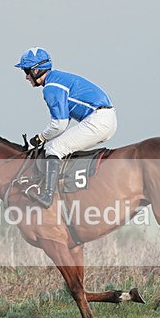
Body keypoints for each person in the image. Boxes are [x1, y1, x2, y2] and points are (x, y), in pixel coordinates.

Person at [14, 47, 117, 208]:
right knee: (63, 147)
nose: (26, 77)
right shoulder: (57, 79)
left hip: (98, 120)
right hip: (105, 118)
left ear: (36, 70)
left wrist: (40, 137)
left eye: (27, 71)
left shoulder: (51, 88)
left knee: (53, 149)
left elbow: (59, 125)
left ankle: (47, 196)